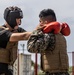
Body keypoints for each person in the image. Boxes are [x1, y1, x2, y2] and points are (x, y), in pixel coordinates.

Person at [0, 6, 44, 75]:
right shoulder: (2, 32)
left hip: (8, 68)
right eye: (18, 19)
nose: (19, 22)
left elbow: (30, 35)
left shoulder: (17, 30)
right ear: (11, 18)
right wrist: (37, 30)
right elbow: (24, 36)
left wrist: (44, 29)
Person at [27, 9, 70, 75]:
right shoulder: (61, 36)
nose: (39, 24)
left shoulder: (48, 36)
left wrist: (36, 31)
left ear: (45, 23)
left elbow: (31, 47)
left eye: (40, 21)